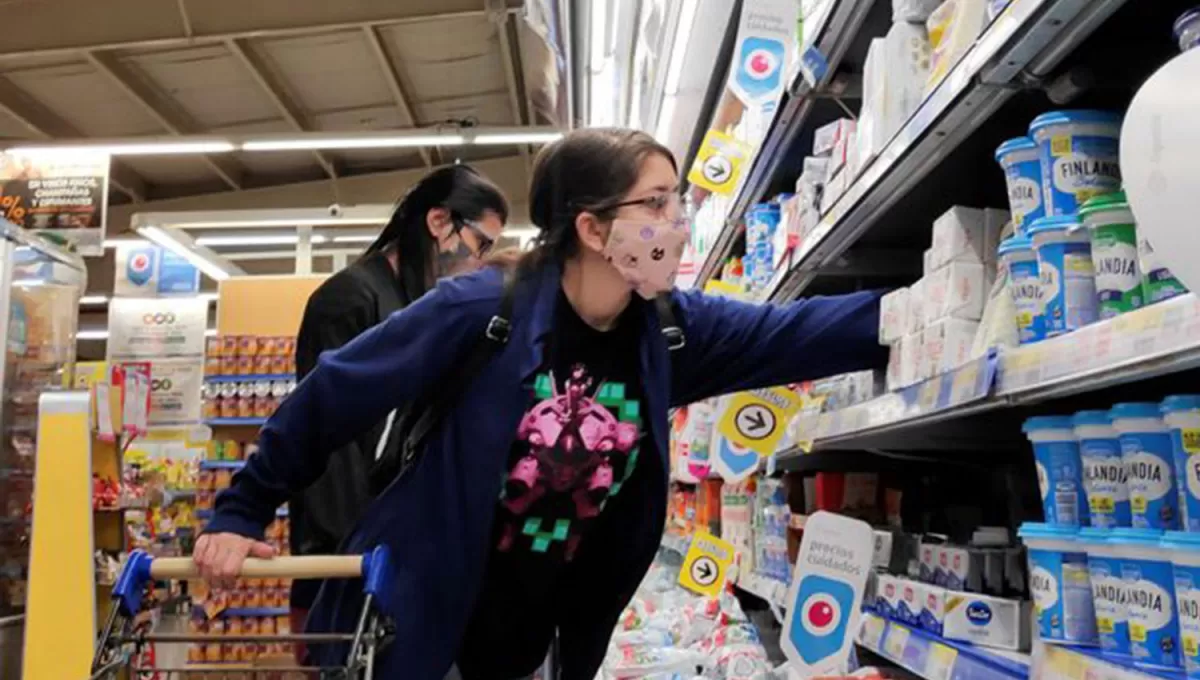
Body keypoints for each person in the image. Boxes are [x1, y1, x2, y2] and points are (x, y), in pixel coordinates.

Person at [193, 128, 889, 680]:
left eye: (677, 201)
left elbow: (795, 333)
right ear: (592, 229)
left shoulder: (669, 328)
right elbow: (334, 392)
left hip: (541, 639)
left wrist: (920, 310)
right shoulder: (480, 310)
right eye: (656, 203)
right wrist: (240, 510)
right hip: (428, 626)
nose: (678, 221)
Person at [287, 164, 508, 654]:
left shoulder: (417, 302)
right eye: (481, 243)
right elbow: (326, 437)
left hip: (393, 547)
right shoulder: (349, 299)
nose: (480, 259)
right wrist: (342, 563)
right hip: (346, 560)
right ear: (438, 223)